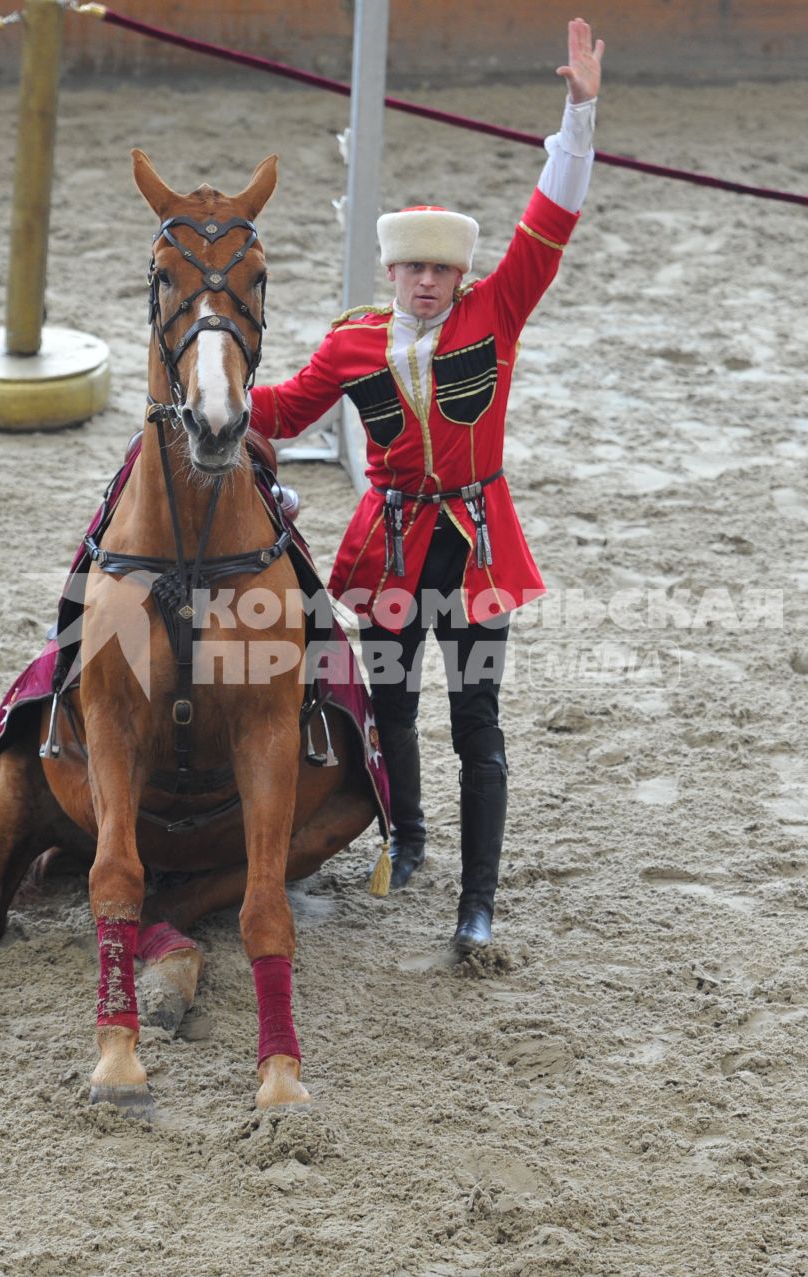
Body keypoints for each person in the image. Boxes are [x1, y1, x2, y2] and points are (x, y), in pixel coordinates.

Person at [249, 19, 603, 953]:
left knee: (475, 717)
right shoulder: (352, 341)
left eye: (443, 268)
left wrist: (580, 111)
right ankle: (406, 842)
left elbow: (552, 220)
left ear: (462, 275)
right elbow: (280, 412)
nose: (428, 282)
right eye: (413, 267)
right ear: (390, 269)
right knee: (393, 702)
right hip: (392, 542)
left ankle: (476, 904)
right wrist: (206, 390)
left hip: (479, 544)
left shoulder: (499, 310)